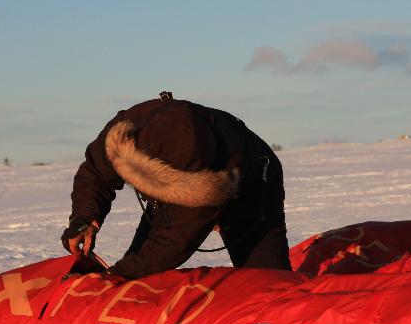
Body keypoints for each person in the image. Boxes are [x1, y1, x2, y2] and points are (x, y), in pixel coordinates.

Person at [62, 92, 290, 279]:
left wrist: (118, 275)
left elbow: (175, 243)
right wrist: (83, 218)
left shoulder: (203, 185)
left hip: (252, 184)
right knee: (137, 273)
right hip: (185, 186)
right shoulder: (124, 132)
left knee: (266, 280)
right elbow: (95, 173)